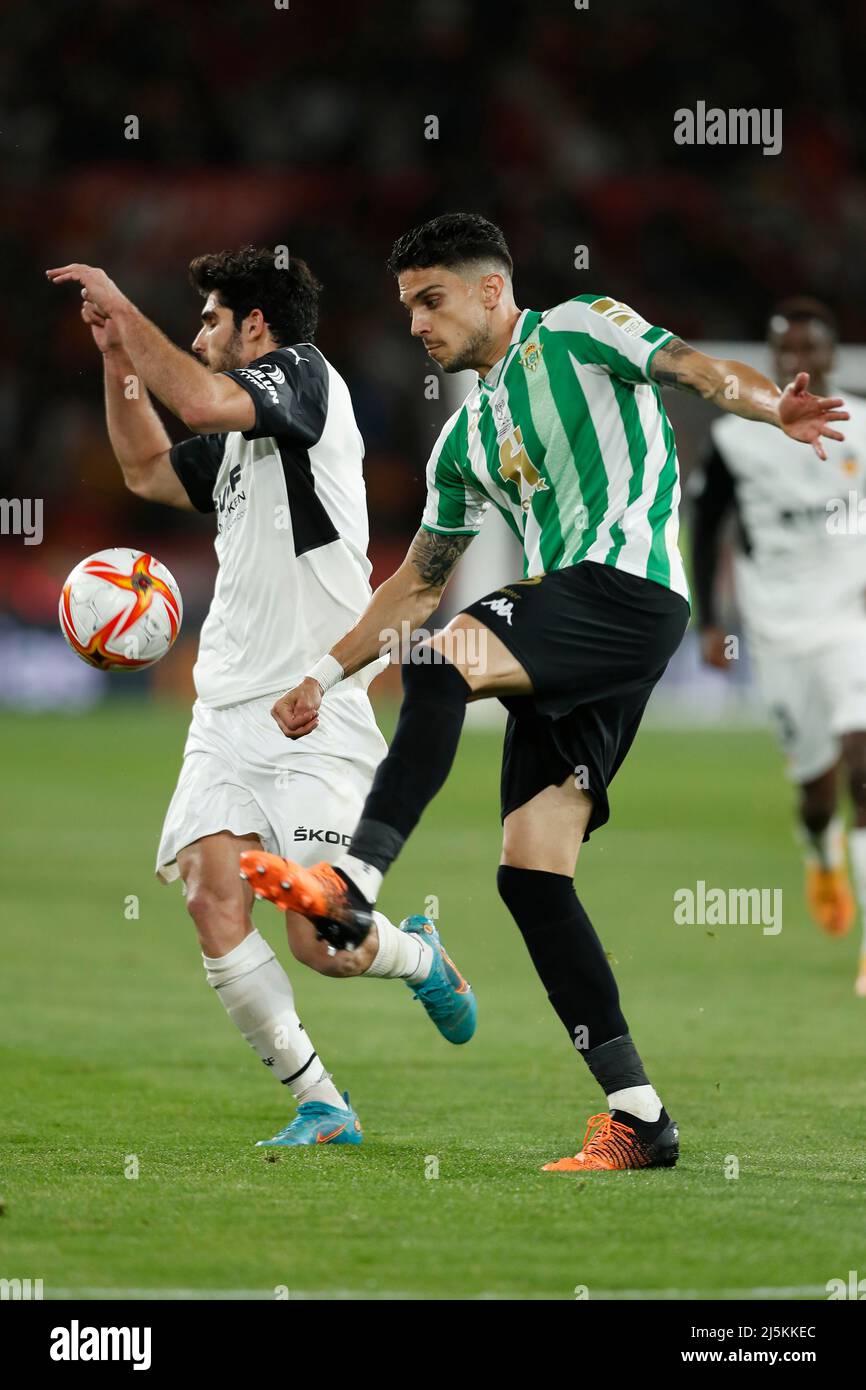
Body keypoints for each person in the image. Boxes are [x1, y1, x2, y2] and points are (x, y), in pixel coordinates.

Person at [240, 213, 848, 1172]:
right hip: (575, 637)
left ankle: (355, 882)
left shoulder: (581, 326)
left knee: (441, 664)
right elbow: (415, 581)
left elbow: (694, 368)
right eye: (406, 307)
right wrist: (321, 676)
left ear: (491, 289)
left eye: (430, 300)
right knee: (531, 874)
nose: (416, 325)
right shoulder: (462, 441)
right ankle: (640, 1117)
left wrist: (776, 408)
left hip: (628, 590)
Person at [46, 245, 476, 1149]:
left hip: (314, 708)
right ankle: (322, 1104)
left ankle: (417, 955)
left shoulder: (305, 381)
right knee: (211, 899)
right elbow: (149, 471)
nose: (198, 334)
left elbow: (199, 399)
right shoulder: (247, 438)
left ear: (255, 325)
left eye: (208, 317)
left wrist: (125, 310)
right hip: (226, 714)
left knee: (322, 942)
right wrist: (119, 362)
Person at [692, 297, 866, 994]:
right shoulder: (741, 436)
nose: (798, 362)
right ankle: (820, 851)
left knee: (864, 764)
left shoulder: (863, 424)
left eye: (809, 350)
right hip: (780, 633)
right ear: (772, 360)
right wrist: (711, 620)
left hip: (853, 622)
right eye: (784, 352)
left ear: (830, 356)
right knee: (818, 792)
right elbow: (707, 528)